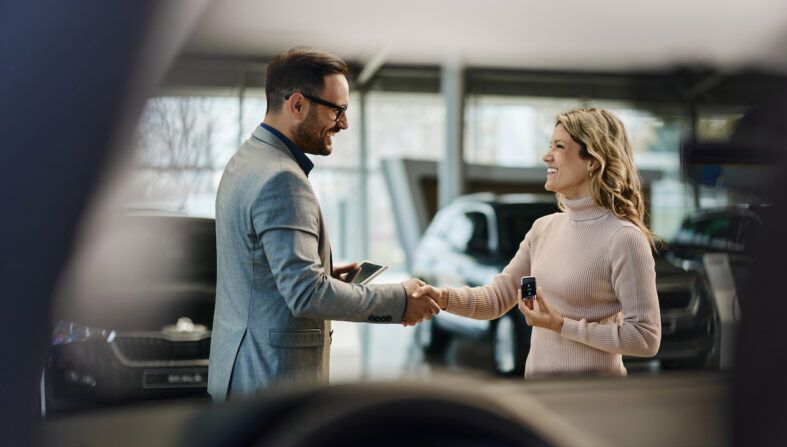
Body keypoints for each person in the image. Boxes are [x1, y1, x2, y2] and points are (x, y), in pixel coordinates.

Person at [208, 48, 439, 401]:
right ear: (297, 104)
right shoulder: (281, 179)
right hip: (272, 381)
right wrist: (400, 301)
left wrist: (323, 273)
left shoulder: (245, 161)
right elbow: (305, 294)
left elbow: (260, 273)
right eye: (338, 110)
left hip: (241, 371)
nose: (344, 123)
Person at [415, 108, 661, 377]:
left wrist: (562, 325)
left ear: (592, 160)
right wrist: (442, 297)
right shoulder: (544, 228)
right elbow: (497, 298)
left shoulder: (624, 238)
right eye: (549, 145)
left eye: (559, 146)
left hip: (594, 402)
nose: (547, 156)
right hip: (541, 394)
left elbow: (645, 338)